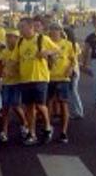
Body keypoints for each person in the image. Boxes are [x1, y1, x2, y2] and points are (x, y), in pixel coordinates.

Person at [11, 18, 59, 146]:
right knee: (29, 108)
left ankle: (48, 127)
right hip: (25, 78)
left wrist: (46, 52)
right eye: (20, 27)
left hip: (40, 78)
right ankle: (32, 134)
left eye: (22, 27)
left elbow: (57, 49)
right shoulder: (20, 42)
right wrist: (6, 70)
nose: (20, 30)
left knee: (40, 105)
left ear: (31, 27)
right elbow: (14, 59)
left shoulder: (41, 39)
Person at [47, 23, 77, 144]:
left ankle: (63, 132)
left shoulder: (68, 44)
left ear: (60, 31)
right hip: (49, 78)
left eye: (56, 30)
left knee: (63, 104)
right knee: (48, 103)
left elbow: (73, 60)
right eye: (52, 30)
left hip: (63, 78)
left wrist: (70, 68)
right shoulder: (46, 43)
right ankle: (48, 128)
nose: (54, 32)